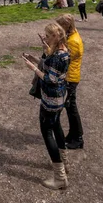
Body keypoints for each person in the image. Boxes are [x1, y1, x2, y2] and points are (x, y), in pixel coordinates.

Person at [23, 23, 70, 190]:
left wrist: (33, 67)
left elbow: (50, 78)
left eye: (48, 36)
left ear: (57, 37)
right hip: (59, 97)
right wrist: (39, 56)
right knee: (56, 127)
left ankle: (60, 177)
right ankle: (64, 163)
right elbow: (51, 67)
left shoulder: (58, 56)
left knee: (47, 132)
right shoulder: (63, 51)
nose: (46, 38)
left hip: (51, 99)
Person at [56, 14, 84, 150]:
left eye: (60, 26)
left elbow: (65, 59)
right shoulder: (73, 34)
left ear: (67, 25)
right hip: (72, 76)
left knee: (71, 108)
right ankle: (73, 135)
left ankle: (78, 138)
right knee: (70, 108)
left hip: (70, 78)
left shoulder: (73, 41)